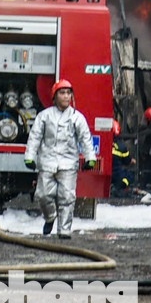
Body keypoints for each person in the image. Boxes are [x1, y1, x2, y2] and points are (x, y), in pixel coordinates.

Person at [24, 78, 97, 239]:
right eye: (62, 93)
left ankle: (64, 230)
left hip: (68, 164)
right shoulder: (44, 116)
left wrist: (90, 157)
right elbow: (35, 137)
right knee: (43, 195)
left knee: (67, 197)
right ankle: (50, 217)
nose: (66, 96)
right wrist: (30, 156)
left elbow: (85, 138)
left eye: (68, 93)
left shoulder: (77, 118)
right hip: (47, 162)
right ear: (55, 96)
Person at [111, 121, 150, 201]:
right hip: (117, 173)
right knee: (130, 175)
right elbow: (127, 161)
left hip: (108, 173)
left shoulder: (104, 143)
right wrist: (132, 161)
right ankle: (119, 187)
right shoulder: (121, 146)